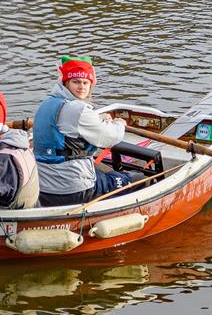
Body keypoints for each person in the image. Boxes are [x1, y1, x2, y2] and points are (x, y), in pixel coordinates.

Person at [33, 56, 139, 207]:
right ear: (66, 83)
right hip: (72, 188)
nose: (81, 87)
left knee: (105, 174)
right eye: (76, 82)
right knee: (136, 180)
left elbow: (68, 124)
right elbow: (110, 137)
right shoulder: (78, 109)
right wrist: (118, 124)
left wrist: (97, 118)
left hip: (42, 185)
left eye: (85, 83)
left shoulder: (48, 103)